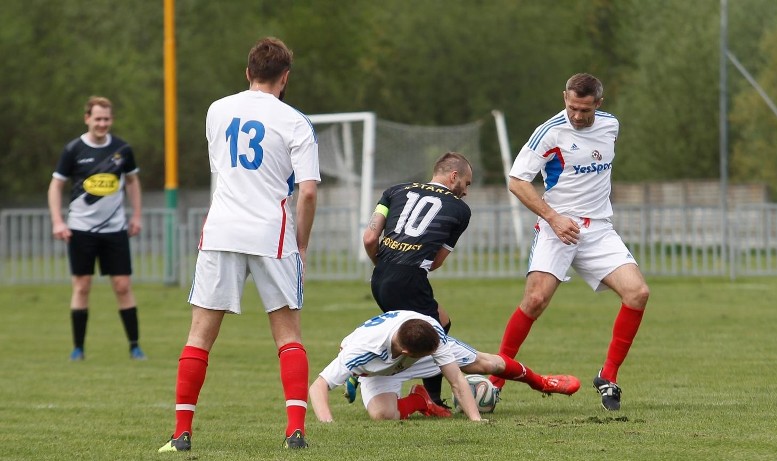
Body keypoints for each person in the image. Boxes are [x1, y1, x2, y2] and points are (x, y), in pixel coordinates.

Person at [158, 37, 320, 453]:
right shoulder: (295, 121)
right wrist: (301, 244)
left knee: (199, 335)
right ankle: (295, 430)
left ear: (248, 73)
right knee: (288, 335)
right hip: (272, 233)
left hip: (222, 230)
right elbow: (307, 192)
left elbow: (225, 170)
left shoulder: (217, 110)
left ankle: (181, 433)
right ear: (285, 78)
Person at [490, 73, 650, 411]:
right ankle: (495, 381)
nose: (577, 116)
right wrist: (553, 217)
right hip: (556, 226)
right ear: (564, 97)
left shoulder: (611, 126)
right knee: (535, 300)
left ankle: (608, 376)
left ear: (599, 104)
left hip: (598, 230)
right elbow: (517, 181)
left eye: (584, 110)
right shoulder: (549, 132)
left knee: (638, 294)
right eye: (572, 107)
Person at [309, 310, 580, 423]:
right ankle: (419, 400)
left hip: (416, 353)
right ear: (406, 351)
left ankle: (541, 381)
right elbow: (318, 387)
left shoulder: (431, 334)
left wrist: (476, 420)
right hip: (376, 367)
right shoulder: (361, 350)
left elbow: (456, 380)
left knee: (488, 363)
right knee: (382, 416)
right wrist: (329, 424)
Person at [357, 152, 473, 409]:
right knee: (430, 336)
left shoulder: (394, 191)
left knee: (438, 322)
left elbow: (368, 238)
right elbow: (436, 261)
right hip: (409, 279)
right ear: (454, 176)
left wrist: (385, 264)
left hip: (380, 275)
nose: (466, 191)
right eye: (466, 184)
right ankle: (429, 398)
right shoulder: (460, 210)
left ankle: (363, 368)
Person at [48, 96, 146, 362]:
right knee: (81, 286)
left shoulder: (122, 149)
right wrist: (58, 220)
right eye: (97, 118)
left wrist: (136, 216)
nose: (102, 123)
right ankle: (78, 349)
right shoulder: (73, 150)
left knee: (123, 286)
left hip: (115, 230)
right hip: (81, 229)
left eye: (106, 119)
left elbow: (133, 183)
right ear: (87, 118)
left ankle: (135, 346)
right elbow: (56, 186)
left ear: (111, 120)